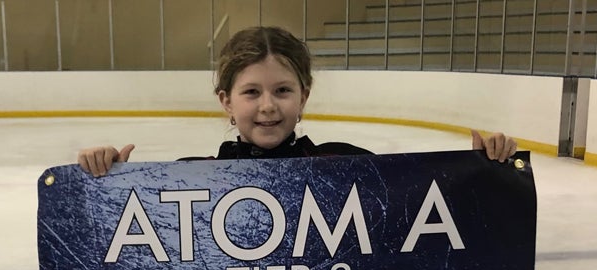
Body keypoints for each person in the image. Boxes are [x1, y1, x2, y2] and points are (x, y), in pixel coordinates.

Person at [78, 26, 517, 176]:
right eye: (251, 92)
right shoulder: (190, 180)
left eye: (283, 91)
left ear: (304, 96)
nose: (268, 106)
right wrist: (105, 179)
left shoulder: (347, 166)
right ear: (225, 101)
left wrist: (483, 173)